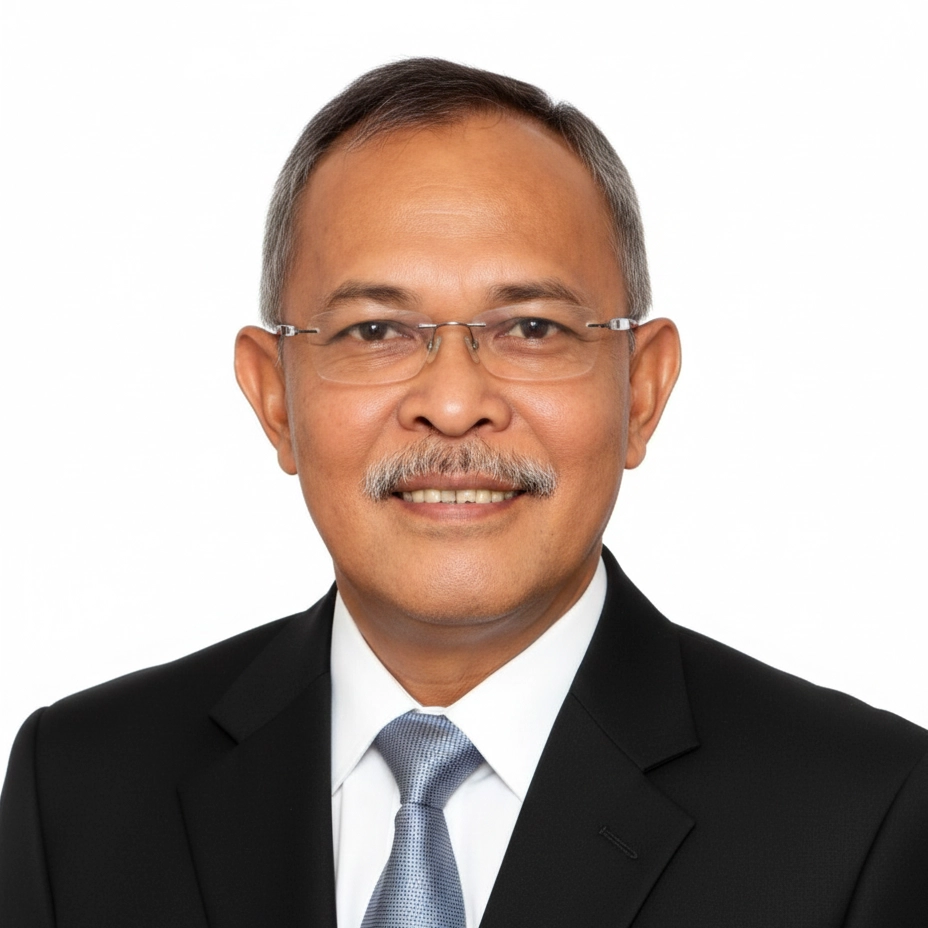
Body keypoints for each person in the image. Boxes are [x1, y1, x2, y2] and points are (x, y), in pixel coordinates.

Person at [1, 57, 926, 927]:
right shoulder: (76, 788)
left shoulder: (867, 816)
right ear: (274, 396)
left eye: (532, 327)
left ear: (641, 391)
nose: (451, 405)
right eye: (375, 331)